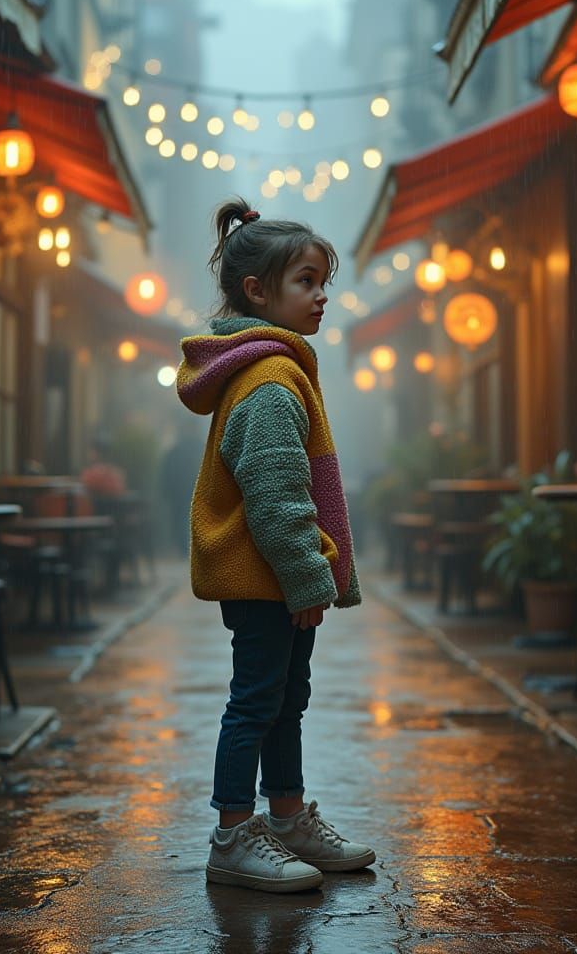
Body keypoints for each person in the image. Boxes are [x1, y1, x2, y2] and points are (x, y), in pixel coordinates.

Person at [176, 198, 374, 893]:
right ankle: (233, 835)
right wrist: (306, 578)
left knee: (287, 697)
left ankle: (287, 818)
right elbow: (277, 494)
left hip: (276, 578)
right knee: (257, 701)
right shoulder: (267, 381)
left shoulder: (279, 368)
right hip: (267, 577)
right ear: (257, 292)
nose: (321, 296)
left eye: (324, 281)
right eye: (306, 282)